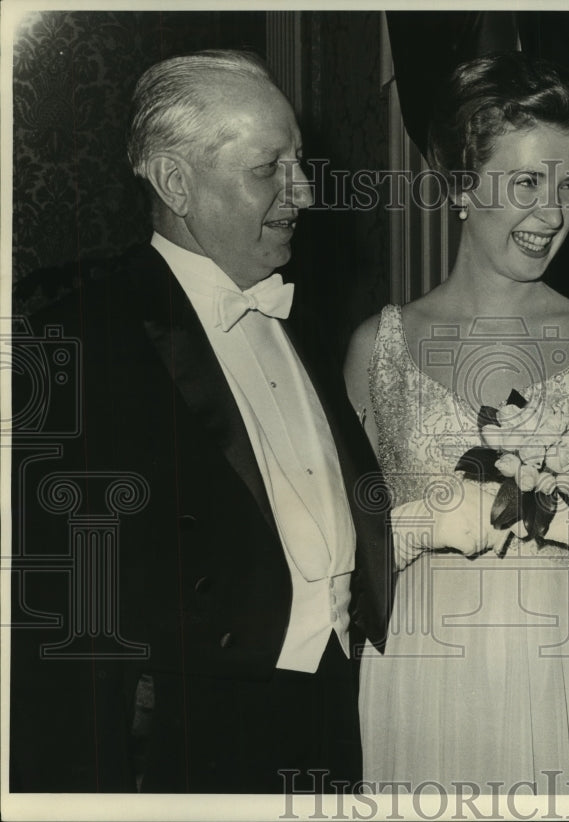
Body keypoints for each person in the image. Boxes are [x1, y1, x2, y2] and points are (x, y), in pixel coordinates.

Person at [10, 49, 392, 793]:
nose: (304, 192)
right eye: (268, 169)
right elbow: (58, 614)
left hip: (330, 714)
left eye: (301, 162)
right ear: (175, 182)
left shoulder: (302, 324)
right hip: (187, 745)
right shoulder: (76, 339)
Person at [343, 51, 569, 794]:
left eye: (568, 185)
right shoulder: (378, 347)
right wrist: (433, 518)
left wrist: (568, 520)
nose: (553, 213)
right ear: (462, 185)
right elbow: (339, 547)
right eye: (526, 182)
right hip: (416, 668)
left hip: (561, 662)